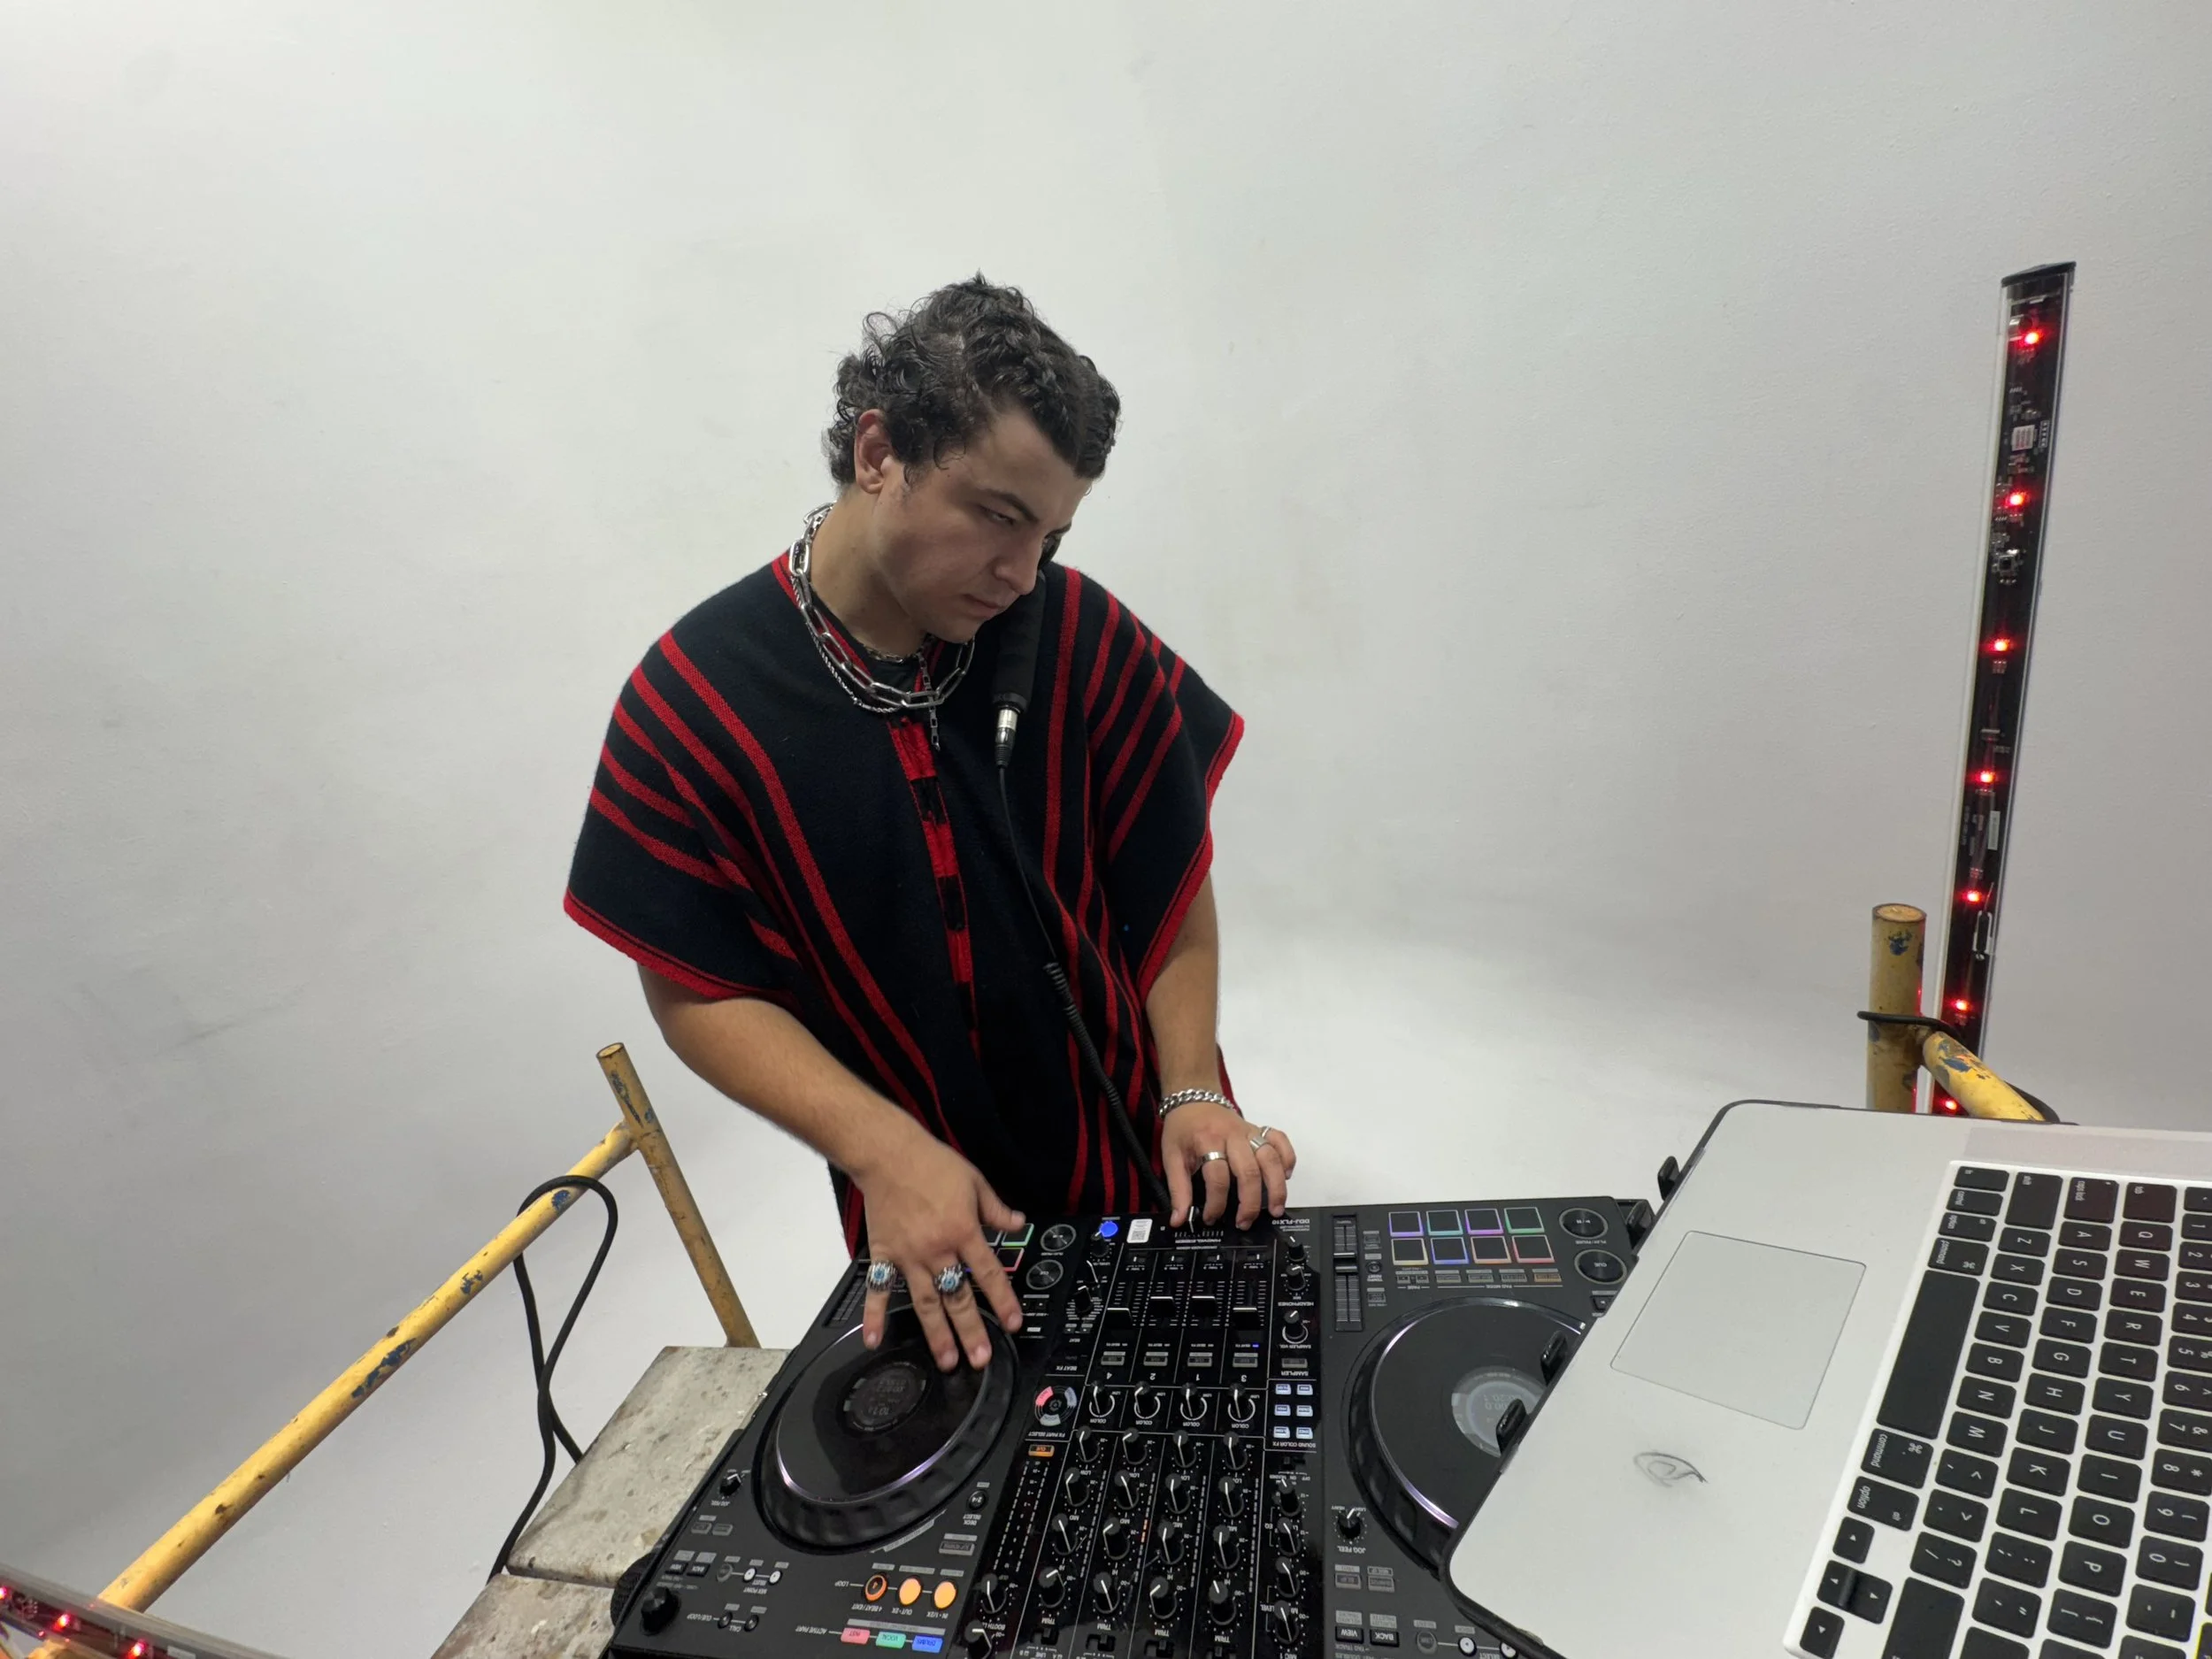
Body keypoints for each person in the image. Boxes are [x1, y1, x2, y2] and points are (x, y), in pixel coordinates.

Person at [563, 277, 1295, 1374]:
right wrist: (881, 1152)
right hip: (937, 1240)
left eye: (1050, 533)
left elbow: (1171, 879)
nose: (1022, 573)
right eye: (997, 518)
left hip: (1151, 1166)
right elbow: (697, 987)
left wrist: (1189, 1086)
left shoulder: (1075, 632)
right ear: (877, 451)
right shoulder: (693, 702)